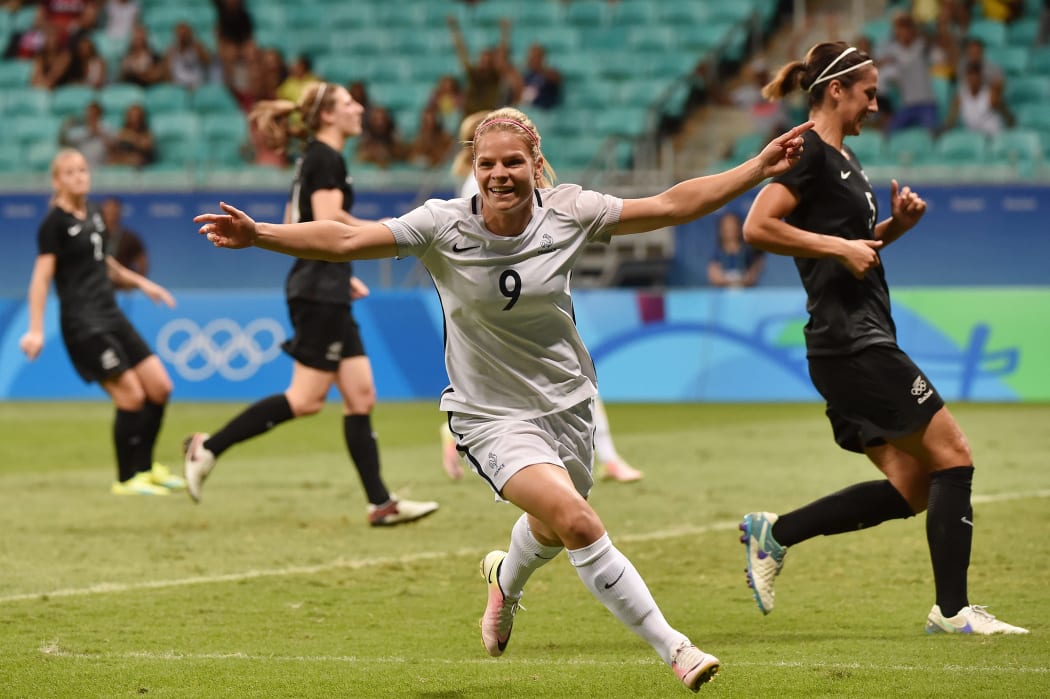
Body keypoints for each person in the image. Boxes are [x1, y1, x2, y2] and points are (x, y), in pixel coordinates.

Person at [194, 106, 811, 690]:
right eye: (487, 164)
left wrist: (757, 168)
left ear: (535, 164)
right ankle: (675, 648)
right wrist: (262, 235)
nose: (499, 175)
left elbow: (673, 204)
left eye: (512, 162)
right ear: (474, 168)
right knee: (577, 521)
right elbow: (348, 241)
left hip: (567, 403)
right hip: (488, 415)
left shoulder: (570, 211)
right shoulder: (442, 224)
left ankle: (503, 581)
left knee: (549, 526)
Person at [738, 41, 1028, 635]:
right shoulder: (808, 152)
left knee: (916, 485)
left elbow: (852, 254)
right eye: (869, 91)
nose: (876, 102)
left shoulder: (845, 163)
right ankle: (952, 612)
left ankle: (777, 533)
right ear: (837, 89)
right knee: (955, 457)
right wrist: (838, 245)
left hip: (849, 338)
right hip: (853, 341)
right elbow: (757, 226)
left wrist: (894, 228)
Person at [182, 81, 439, 527]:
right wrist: (397, 234)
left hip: (325, 282)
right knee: (305, 399)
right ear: (327, 116)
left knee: (360, 395)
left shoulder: (313, 159)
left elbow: (291, 224)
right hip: (318, 288)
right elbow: (329, 221)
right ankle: (207, 448)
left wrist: (344, 274)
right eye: (347, 103)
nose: (359, 107)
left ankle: (381, 505)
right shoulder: (326, 157)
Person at [20, 148, 183, 496]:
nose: (80, 176)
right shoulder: (54, 225)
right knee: (131, 395)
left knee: (160, 387)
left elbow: (104, 263)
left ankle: (146, 468)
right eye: (70, 172)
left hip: (111, 315)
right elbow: (40, 279)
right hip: (84, 324)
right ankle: (126, 479)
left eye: (83, 170)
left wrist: (141, 283)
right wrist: (34, 329)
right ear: (57, 180)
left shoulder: (94, 213)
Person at [100, 196, 149, 288]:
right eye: (108, 210)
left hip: (122, 289)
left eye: (114, 211)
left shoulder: (129, 238)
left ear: (119, 212)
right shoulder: (94, 235)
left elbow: (143, 263)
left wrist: (134, 284)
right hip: (97, 288)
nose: (111, 214)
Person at [707, 211, 764, 288]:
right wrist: (723, 280)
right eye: (726, 227)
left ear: (739, 227)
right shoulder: (717, 255)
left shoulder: (748, 253)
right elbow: (714, 275)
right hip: (723, 294)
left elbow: (753, 274)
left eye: (732, 226)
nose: (730, 229)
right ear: (721, 230)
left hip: (745, 294)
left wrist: (747, 278)